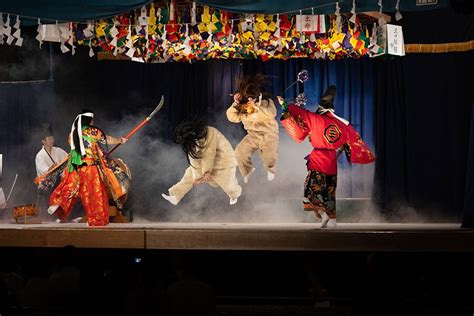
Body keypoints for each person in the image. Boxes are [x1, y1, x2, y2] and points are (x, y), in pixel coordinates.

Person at [279, 85, 375, 228]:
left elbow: (300, 113)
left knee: (312, 189)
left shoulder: (317, 119)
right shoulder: (342, 125)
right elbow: (350, 141)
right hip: (330, 160)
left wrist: (284, 104)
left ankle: (324, 216)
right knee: (329, 190)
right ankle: (332, 219)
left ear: (322, 108)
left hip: (319, 159)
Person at [48, 109, 127, 226]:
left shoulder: (72, 133)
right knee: (95, 194)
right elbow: (107, 139)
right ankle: (96, 220)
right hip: (90, 168)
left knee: (72, 190)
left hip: (75, 167)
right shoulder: (93, 131)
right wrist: (121, 140)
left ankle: (59, 204)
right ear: (90, 120)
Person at [162, 118, 242, 206]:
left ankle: (234, 195)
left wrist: (206, 172)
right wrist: (197, 178)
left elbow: (209, 154)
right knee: (189, 174)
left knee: (228, 183)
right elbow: (194, 159)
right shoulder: (191, 142)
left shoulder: (210, 133)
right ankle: (175, 196)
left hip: (224, 161)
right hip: (207, 161)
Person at [226, 74, 279, 183]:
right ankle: (247, 170)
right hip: (253, 136)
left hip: (269, 134)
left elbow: (271, 114)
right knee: (239, 152)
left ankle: (271, 169)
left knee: (269, 154)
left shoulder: (266, 103)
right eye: (248, 100)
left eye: (252, 100)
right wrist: (235, 104)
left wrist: (257, 107)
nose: (250, 103)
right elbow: (232, 117)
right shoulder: (244, 107)